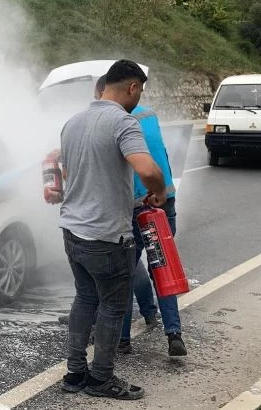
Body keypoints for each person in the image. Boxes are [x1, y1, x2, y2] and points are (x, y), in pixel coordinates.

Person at [53, 60, 166, 400]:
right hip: (106, 236)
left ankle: (74, 374)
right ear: (132, 87)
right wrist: (158, 190)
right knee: (114, 307)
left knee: (85, 299)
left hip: (73, 230)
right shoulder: (123, 122)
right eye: (140, 90)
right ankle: (100, 378)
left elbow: (74, 176)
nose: (139, 96)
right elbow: (146, 170)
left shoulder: (72, 123)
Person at [110, 77, 187, 357]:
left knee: (125, 272)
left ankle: (123, 339)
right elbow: (162, 154)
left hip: (138, 205)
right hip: (165, 204)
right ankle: (173, 333)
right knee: (161, 268)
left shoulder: (116, 122)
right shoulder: (149, 113)